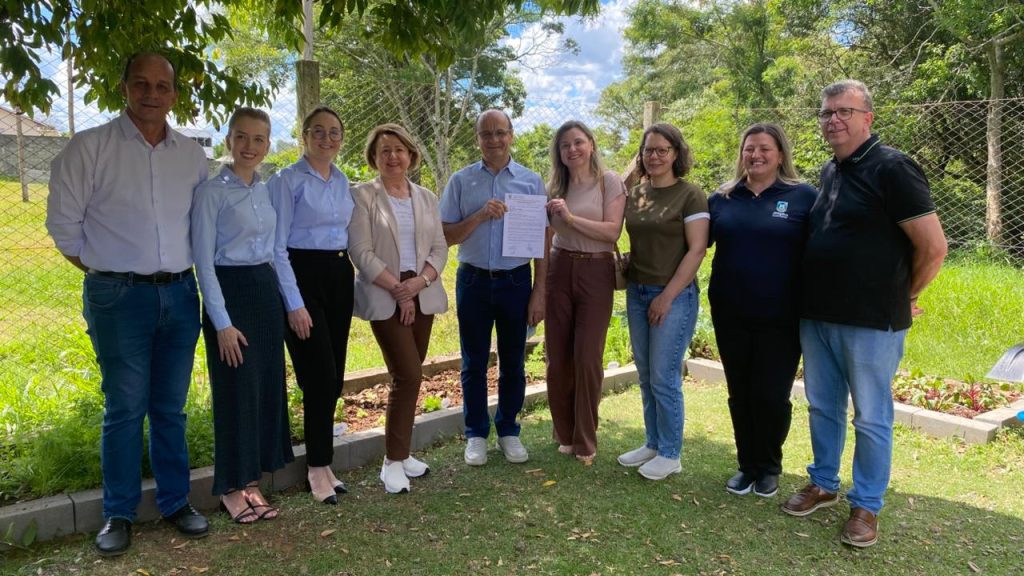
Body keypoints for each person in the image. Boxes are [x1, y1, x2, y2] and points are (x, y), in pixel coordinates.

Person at [45, 52, 210, 556]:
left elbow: (201, 228)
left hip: (181, 294)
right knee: (124, 408)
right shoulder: (88, 148)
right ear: (124, 88)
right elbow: (65, 230)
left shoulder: (191, 155)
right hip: (118, 297)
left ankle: (175, 502)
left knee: (170, 408)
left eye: (163, 86)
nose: (152, 93)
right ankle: (118, 512)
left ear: (175, 95)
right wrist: (113, 274)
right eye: (141, 84)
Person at [781, 80, 947, 548]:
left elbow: (933, 248)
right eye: (827, 113)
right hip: (818, 316)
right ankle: (823, 483)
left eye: (844, 111)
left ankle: (867, 504)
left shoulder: (893, 168)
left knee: (871, 416)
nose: (833, 119)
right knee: (822, 405)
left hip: (873, 321)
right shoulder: (830, 171)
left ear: (867, 118)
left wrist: (903, 293)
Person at [191, 108, 294, 523]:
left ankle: (253, 484)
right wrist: (222, 323)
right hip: (229, 296)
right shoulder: (211, 193)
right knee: (235, 391)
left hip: (265, 293)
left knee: (264, 388)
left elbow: (276, 252)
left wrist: (291, 303)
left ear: (268, 144)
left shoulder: (267, 192)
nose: (250, 147)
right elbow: (203, 263)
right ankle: (230, 488)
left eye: (259, 139)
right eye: (242, 137)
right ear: (229, 140)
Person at [707, 123, 817, 498]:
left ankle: (768, 466)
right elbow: (690, 247)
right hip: (730, 311)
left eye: (764, 149)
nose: (755, 155)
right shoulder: (722, 198)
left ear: (780, 154)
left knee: (771, 394)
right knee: (740, 393)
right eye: (749, 149)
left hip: (781, 317)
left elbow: (825, 251)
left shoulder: (803, 197)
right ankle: (746, 465)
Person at [440, 109, 547, 466]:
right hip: (472, 280)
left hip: (516, 281)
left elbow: (540, 241)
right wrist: (481, 215)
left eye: (500, 132)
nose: (494, 140)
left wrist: (539, 290)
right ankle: (475, 434)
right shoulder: (461, 181)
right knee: (473, 361)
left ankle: (508, 431)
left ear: (511, 135)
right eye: (486, 134)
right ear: (477, 139)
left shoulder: (530, 182)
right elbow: (446, 235)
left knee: (513, 360)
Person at [349, 124, 448, 493]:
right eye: (384, 150)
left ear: (411, 155)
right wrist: (398, 289)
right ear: (374, 157)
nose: (392, 156)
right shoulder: (362, 196)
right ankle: (391, 462)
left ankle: (403, 453)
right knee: (407, 374)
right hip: (385, 292)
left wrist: (417, 284)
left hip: (421, 292)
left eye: (399, 149)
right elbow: (360, 251)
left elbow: (439, 248)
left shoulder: (426, 197)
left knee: (411, 375)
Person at [268, 106, 354, 505]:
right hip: (302, 276)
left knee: (334, 375)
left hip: (339, 276)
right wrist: (294, 302)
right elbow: (276, 246)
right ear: (304, 136)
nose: (326, 138)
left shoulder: (341, 180)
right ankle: (317, 467)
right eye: (317, 131)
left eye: (334, 132)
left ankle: (325, 462)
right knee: (318, 374)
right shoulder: (287, 180)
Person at [615, 122, 708, 481]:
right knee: (646, 374)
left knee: (665, 377)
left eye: (662, 150)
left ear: (676, 154)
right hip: (638, 292)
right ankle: (653, 443)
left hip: (673, 295)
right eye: (648, 150)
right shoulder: (636, 193)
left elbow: (697, 250)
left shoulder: (690, 195)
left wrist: (667, 297)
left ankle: (671, 453)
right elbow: (612, 198)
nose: (654, 156)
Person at [544, 120, 626, 464]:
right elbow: (545, 236)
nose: (572, 150)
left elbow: (611, 233)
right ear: (559, 153)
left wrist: (572, 218)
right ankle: (564, 432)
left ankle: (585, 439)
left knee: (588, 357)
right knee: (557, 357)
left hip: (596, 270)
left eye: (578, 142)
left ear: (591, 145)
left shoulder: (609, 182)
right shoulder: (555, 187)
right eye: (565, 145)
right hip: (559, 269)